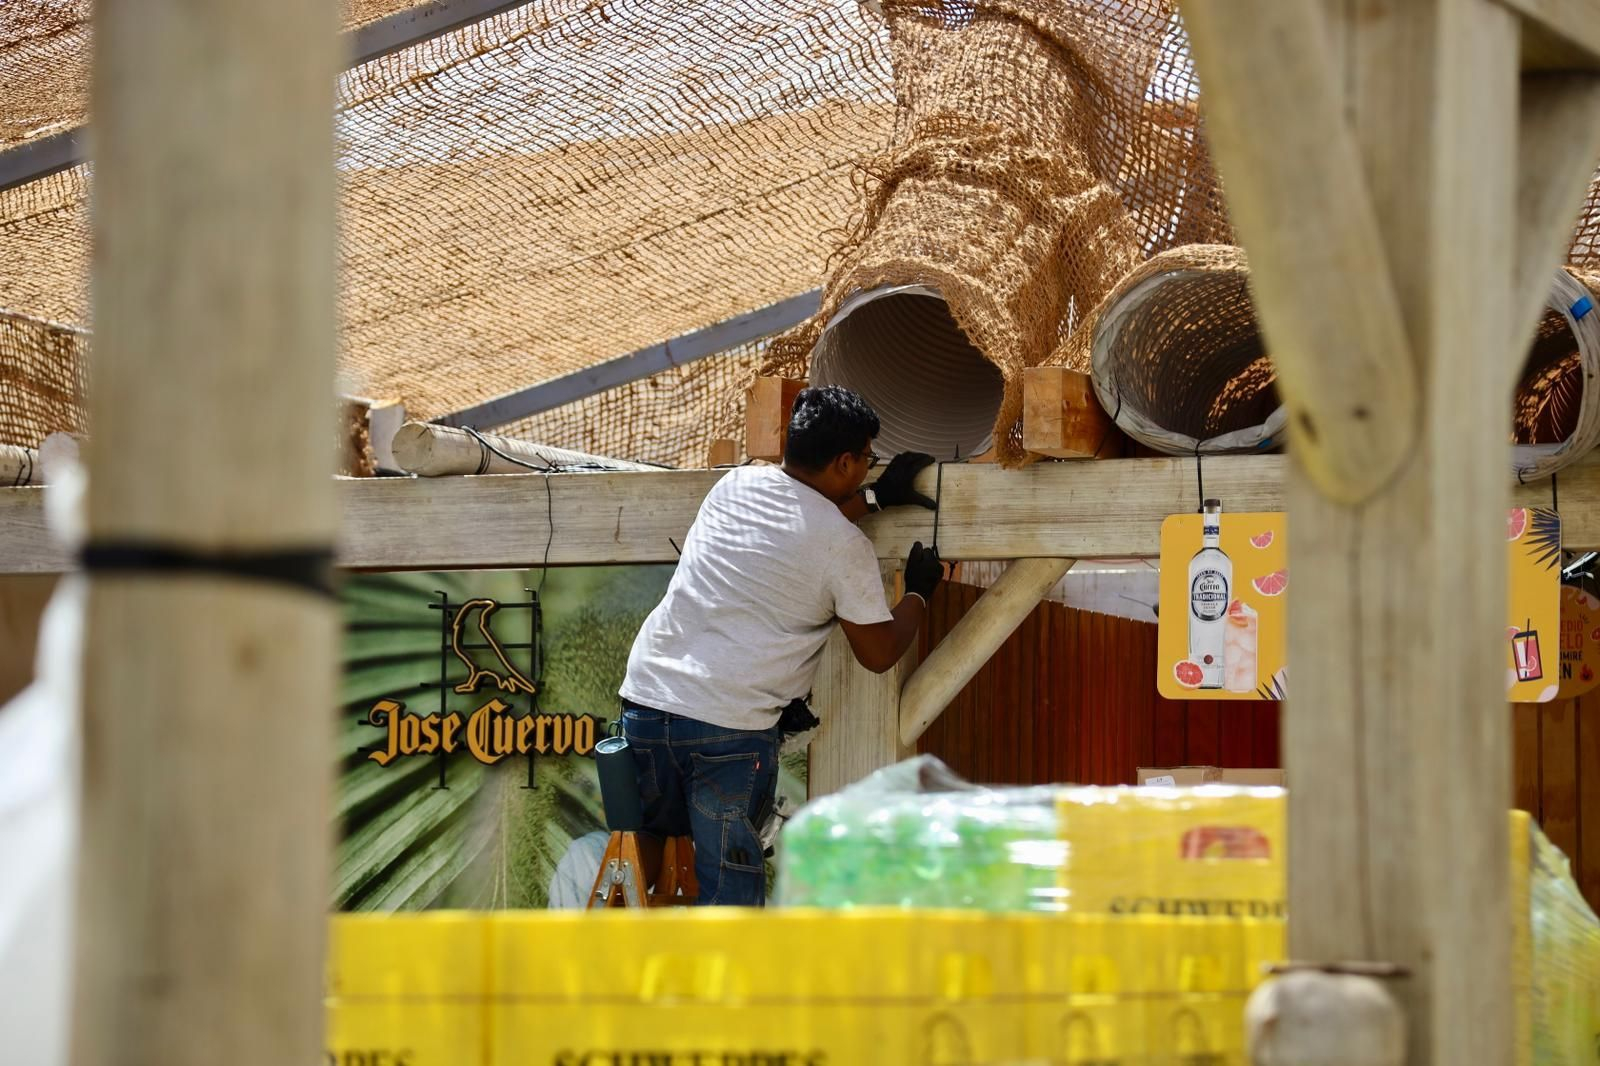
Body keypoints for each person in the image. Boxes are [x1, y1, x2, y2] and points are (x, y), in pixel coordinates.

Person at [618, 385, 944, 905]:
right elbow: (878, 652)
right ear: (844, 462)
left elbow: (795, 528)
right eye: (867, 459)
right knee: (729, 888)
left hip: (647, 702)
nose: (868, 467)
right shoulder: (843, 547)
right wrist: (920, 595)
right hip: (727, 729)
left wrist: (876, 498)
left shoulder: (735, 485)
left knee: (644, 864)